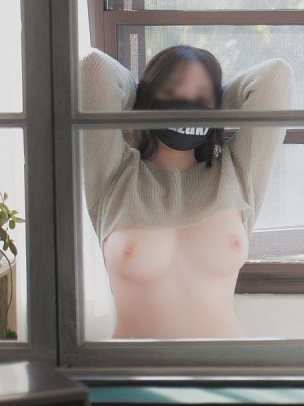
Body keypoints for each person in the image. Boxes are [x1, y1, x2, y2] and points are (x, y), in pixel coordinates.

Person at [79, 44, 292, 339]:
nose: (186, 104)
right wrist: (143, 97)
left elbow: (275, 77)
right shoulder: (115, 174)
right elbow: (93, 69)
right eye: (172, 91)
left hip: (230, 364)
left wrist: (216, 104)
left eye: (201, 97)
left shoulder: (237, 172)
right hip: (132, 365)